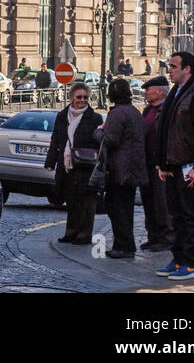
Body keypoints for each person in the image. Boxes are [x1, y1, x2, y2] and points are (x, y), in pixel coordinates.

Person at [153, 50, 194, 281]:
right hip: (173, 164)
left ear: (187, 69)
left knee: (191, 215)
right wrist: (162, 163)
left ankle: (191, 263)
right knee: (177, 215)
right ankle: (179, 258)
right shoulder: (176, 92)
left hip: (190, 166)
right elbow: (166, 131)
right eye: (169, 66)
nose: (169, 70)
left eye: (173, 66)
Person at [44, 81, 103, 245]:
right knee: (71, 201)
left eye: (85, 97)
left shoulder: (95, 117)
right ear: (71, 98)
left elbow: (99, 143)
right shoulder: (62, 116)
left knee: (87, 202)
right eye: (79, 97)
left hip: (86, 166)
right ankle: (71, 232)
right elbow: (55, 140)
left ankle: (84, 235)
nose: (82, 100)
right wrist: (50, 162)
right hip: (67, 165)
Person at [100, 78, 146, 258]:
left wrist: (99, 132)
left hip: (120, 169)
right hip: (132, 167)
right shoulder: (135, 112)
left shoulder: (118, 113)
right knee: (124, 208)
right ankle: (125, 245)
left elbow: (110, 139)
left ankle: (124, 246)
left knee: (118, 209)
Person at [138, 77, 175, 252]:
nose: (145, 93)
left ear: (160, 92)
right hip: (147, 160)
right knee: (149, 200)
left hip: (161, 161)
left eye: (148, 89)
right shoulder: (147, 110)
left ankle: (167, 237)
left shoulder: (168, 108)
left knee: (162, 201)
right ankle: (152, 236)